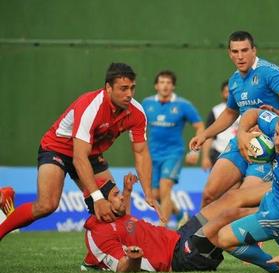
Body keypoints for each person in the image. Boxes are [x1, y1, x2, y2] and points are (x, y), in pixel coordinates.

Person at [0, 63, 164, 241]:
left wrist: (148, 193)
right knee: (47, 205)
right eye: (123, 89)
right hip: (58, 148)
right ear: (108, 88)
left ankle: (100, 258)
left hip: (90, 154)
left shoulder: (137, 112)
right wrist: (97, 198)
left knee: (116, 208)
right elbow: (79, 158)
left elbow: (141, 153)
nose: (129, 94)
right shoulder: (91, 106)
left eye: (132, 88)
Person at [189, 31, 279, 207]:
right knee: (209, 195)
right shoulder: (234, 80)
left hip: (267, 148)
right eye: (235, 51)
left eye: (244, 50)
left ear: (254, 51)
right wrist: (204, 135)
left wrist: (274, 122)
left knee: (242, 201)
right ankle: (198, 235)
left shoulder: (267, 72)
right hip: (241, 141)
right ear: (229, 53)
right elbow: (230, 112)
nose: (240, 56)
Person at [202, 110, 279, 273]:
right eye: (277, 134)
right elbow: (253, 113)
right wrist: (242, 134)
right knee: (233, 214)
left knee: (223, 238)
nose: (277, 141)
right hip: (275, 197)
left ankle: (278, 266)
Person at [81, 174, 259, 273]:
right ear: (100, 203)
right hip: (180, 259)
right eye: (115, 194)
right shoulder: (99, 233)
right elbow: (121, 267)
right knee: (228, 216)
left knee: (230, 198)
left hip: (180, 236)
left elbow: (126, 223)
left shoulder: (114, 216)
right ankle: (278, 216)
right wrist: (133, 260)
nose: (120, 196)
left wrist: (127, 192)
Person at [142, 70, 204, 226]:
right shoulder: (147, 104)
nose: (165, 86)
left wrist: (195, 151)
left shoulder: (183, 105)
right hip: (152, 154)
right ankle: (181, 215)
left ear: (173, 86)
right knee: (155, 194)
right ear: (156, 86)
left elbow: (200, 126)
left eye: (168, 83)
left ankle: (162, 228)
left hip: (173, 153)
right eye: (162, 82)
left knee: (165, 186)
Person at [201, 80, 239, 170]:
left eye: (231, 92)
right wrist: (205, 157)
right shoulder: (215, 111)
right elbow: (209, 135)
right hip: (219, 152)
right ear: (222, 93)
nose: (229, 95)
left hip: (239, 152)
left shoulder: (245, 109)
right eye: (226, 92)